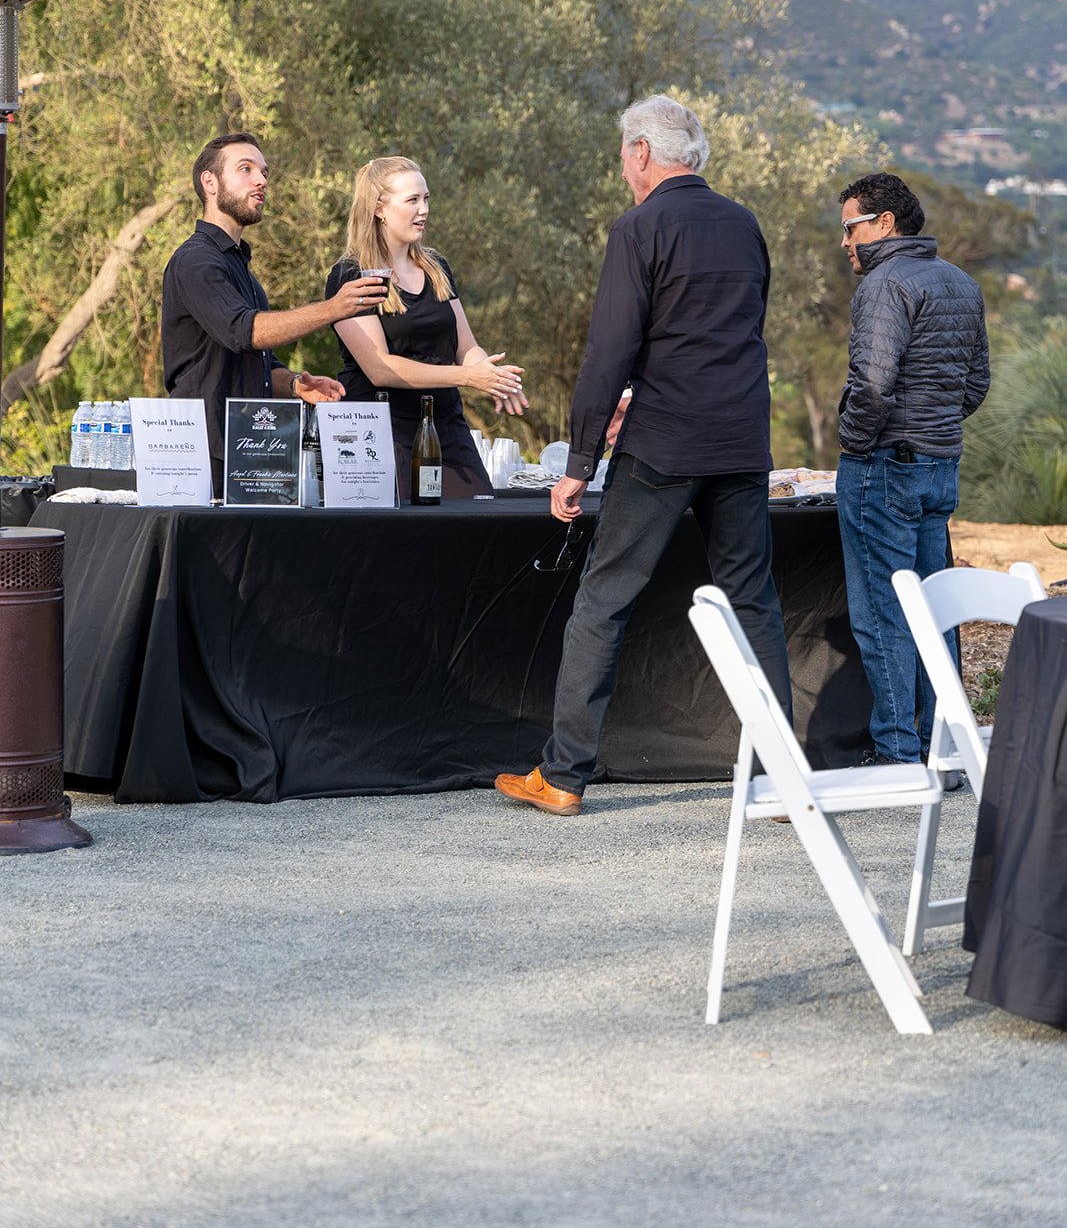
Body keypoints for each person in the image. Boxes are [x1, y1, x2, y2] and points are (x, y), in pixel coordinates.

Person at [494, 94, 792, 816]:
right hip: (740, 441)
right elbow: (731, 334)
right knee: (752, 602)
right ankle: (789, 778)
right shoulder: (743, 223)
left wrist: (577, 465)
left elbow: (608, 357)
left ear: (639, 153)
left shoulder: (639, 227)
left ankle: (563, 775)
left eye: (622, 155)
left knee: (603, 600)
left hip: (663, 445)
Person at [836, 171, 989, 765]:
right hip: (938, 466)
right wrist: (935, 426)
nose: (845, 242)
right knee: (937, 611)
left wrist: (854, 443)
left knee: (883, 610)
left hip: (883, 467)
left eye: (851, 228)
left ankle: (898, 753)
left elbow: (872, 387)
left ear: (884, 224)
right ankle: (941, 748)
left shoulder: (883, 284)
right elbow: (975, 384)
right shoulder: (961, 282)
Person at [162, 132, 370, 494]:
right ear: (209, 182)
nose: (261, 181)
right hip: (201, 458)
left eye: (264, 172)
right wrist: (335, 308)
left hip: (248, 454)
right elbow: (247, 331)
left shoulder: (242, 269)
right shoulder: (196, 260)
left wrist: (294, 384)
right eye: (246, 169)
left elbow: (260, 361)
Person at [325, 156, 527, 498]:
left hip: (444, 423)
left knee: (478, 518)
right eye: (412, 200)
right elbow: (380, 369)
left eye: (426, 199)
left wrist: (492, 376)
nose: (424, 210)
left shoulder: (437, 267)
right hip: (382, 431)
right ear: (379, 209)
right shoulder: (350, 275)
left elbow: (466, 347)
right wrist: (467, 377)